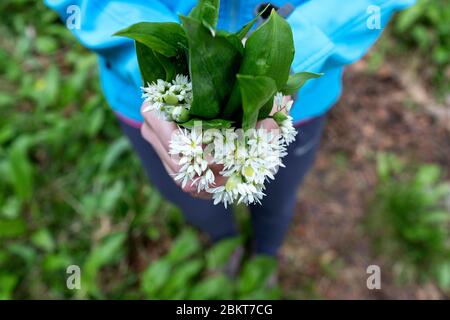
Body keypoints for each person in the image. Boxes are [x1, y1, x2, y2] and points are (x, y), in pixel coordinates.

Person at [46, 0, 415, 258]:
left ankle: (267, 250)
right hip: (146, 102)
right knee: (191, 196)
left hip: (295, 108)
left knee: (279, 194)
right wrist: (155, 54)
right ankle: (225, 242)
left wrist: (285, 54)